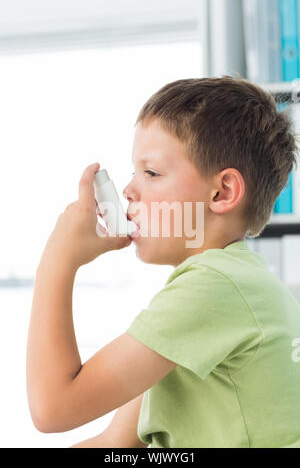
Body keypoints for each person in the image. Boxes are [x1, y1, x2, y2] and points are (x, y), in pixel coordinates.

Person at [26, 77, 300, 448]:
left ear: (222, 193)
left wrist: (57, 257)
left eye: (151, 173)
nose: (128, 190)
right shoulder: (223, 287)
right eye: (133, 172)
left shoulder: (215, 286)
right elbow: (114, 444)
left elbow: (54, 409)